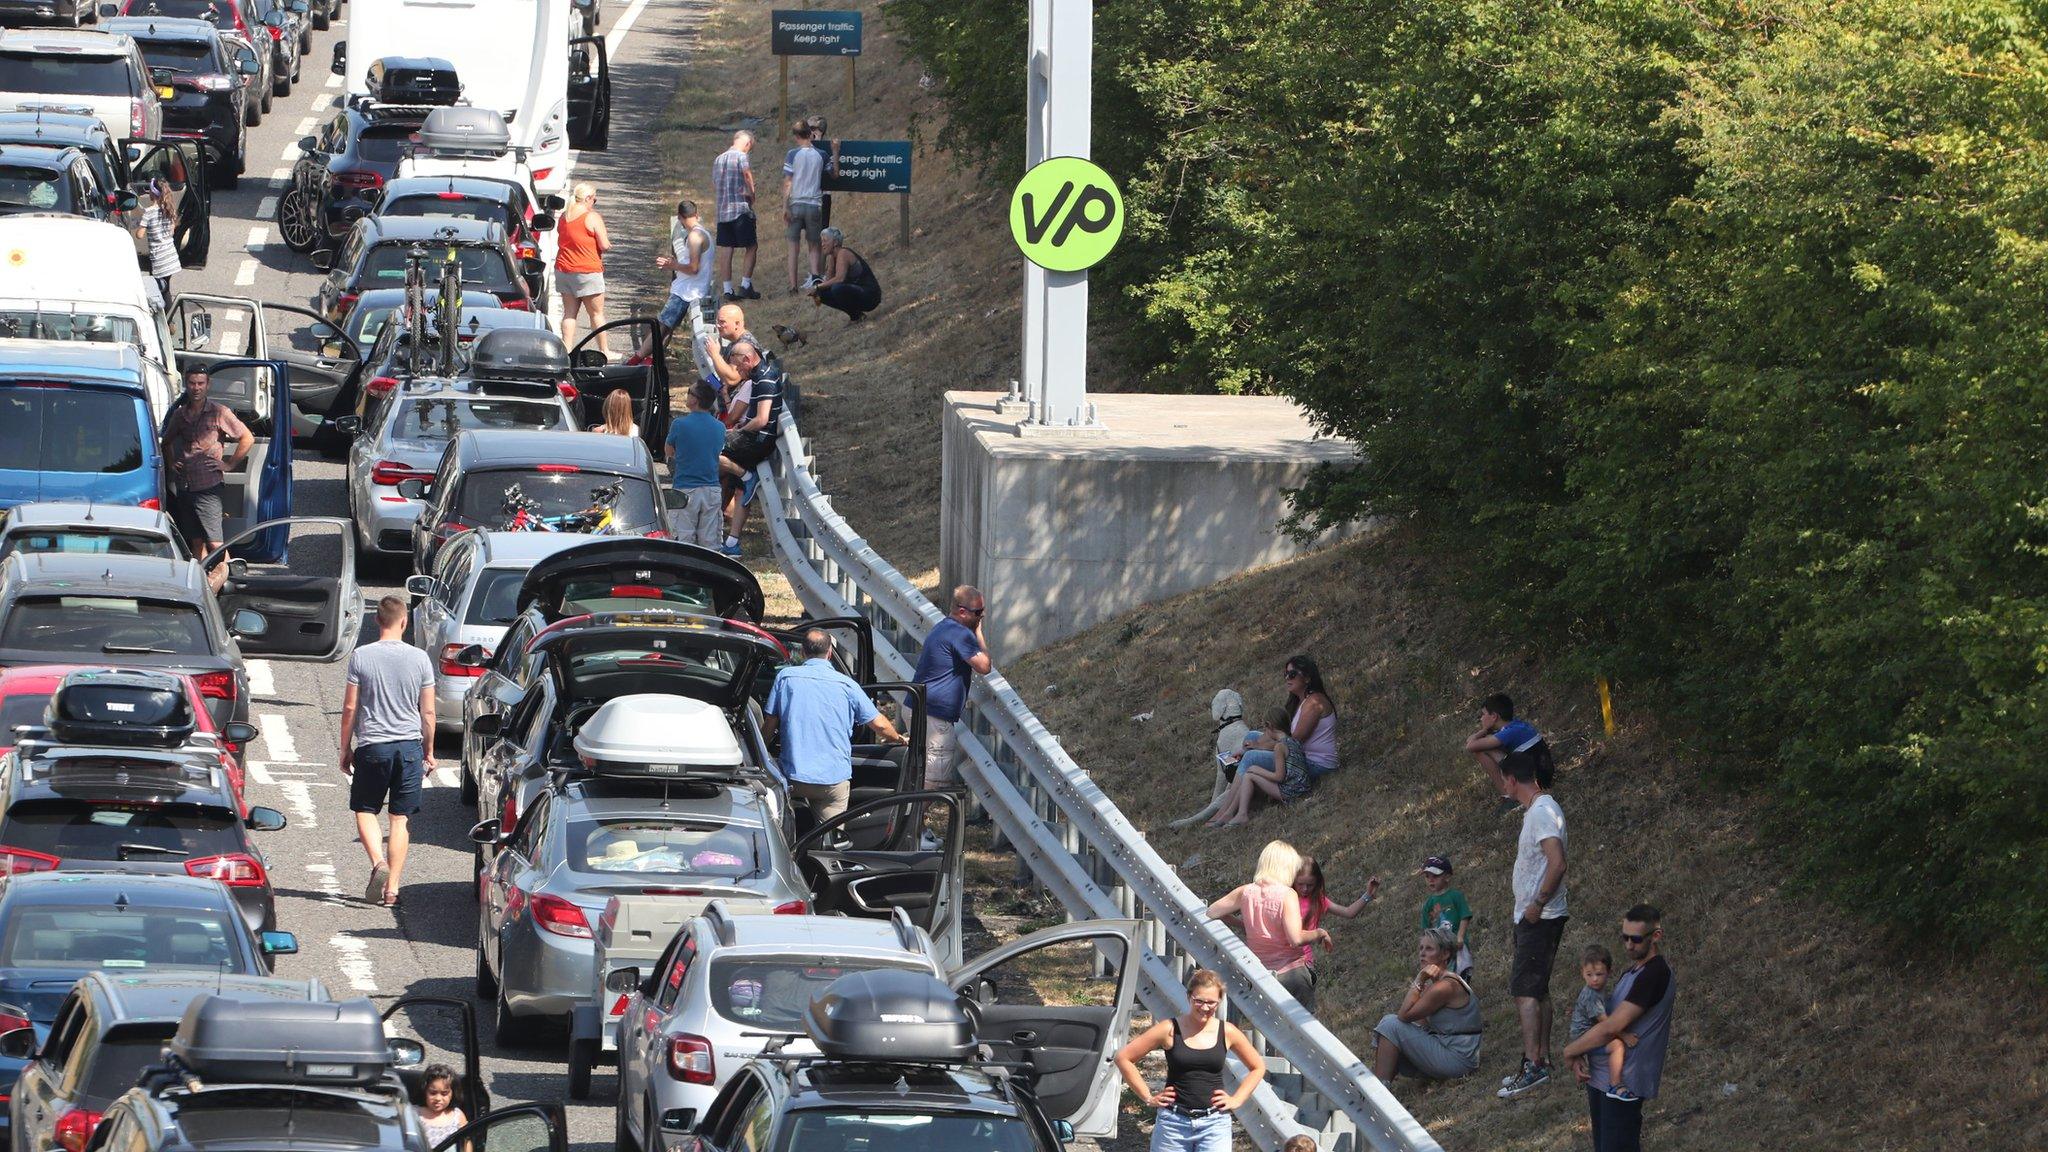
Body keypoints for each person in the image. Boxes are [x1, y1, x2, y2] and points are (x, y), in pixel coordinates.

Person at [338, 596, 435, 908]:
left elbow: (351, 706)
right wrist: (428, 751)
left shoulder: (361, 656)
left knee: (365, 809)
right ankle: (392, 888)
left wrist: (345, 748)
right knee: (399, 818)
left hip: (373, 746)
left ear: (377, 621)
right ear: (404, 622)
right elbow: (429, 713)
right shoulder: (420, 659)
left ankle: (378, 862)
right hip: (408, 748)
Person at [762, 630, 908, 826]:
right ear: (830, 652)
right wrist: (898, 739)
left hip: (793, 779)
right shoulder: (847, 685)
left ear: (803, 652)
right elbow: (880, 725)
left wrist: (759, 754)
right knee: (831, 838)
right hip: (832, 780)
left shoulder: (786, 678)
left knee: (781, 830)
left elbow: (770, 724)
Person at [1113, 970, 1266, 1152]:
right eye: (1199, 1001)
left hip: (1214, 1123)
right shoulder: (1169, 1029)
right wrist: (1147, 1097)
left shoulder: (1227, 1031)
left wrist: (1237, 1099)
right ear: (1189, 997)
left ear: (1219, 1002)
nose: (1205, 1007)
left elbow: (1257, 1067)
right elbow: (1123, 1058)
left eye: (1211, 1003)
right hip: (1173, 1123)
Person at [1563, 906, 1675, 1152]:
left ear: (1655, 936)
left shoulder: (1654, 974)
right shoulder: (1632, 972)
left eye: (1635, 939)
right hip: (1601, 1080)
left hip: (1625, 1084)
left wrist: (1570, 1051)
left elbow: (1611, 1026)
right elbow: (1599, 1019)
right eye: (1624, 937)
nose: (1628, 945)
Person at [1499, 749, 1568, 1099]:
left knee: (1525, 991)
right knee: (1537, 989)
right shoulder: (1540, 810)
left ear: (1512, 779)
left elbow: (1557, 863)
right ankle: (1541, 1059)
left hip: (1540, 917)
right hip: (1534, 916)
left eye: (1503, 779)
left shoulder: (1541, 812)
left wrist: (1538, 903)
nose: (1503, 786)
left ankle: (1534, 1065)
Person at [1205, 841, 1329, 1011]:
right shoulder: (1287, 894)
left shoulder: (1246, 891)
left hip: (1260, 974)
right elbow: (1296, 938)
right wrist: (1319, 933)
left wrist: (1245, 925)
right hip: (1291, 972)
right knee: (1301, 1031)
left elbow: (1213, 911)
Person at [159, 366, 253, 565]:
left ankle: (230, 579)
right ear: (186, 385)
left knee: (215, 543)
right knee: (196, 542)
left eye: (200, 383)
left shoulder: (219, 412)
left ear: (208, 385)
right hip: (185, 487)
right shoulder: (179, 414)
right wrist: (171, 462)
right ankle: (202, 584)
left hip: (209, 487)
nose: (196, 388)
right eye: (192, 383)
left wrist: (230, 464)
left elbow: (247, 438)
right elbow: (166, 442)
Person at [1371, 928, 1483, 1083]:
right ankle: (1379, 1085)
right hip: (1448, 1052)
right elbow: (1419, 1022)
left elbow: (1404, 1016)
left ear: (1445, 954)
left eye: (1429, 948)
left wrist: (1419, 979)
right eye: (1421, 948)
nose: (1422, 953)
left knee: (1390, 1024)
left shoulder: (1446, 986)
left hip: (1458, 1061)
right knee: (1390, 1028)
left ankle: (1378, 1092)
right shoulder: (1436, 985)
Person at [910, 586, 991, 790]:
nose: (982, 616)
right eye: (978, 613)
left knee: (920, 777)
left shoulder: (943, 627)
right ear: (962, 612)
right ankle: (905, 820)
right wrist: (979, 633)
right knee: (934, 781)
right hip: (934, 717)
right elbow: (984, 666)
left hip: (919, 708)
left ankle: (905, 820)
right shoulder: (959, 633)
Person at [713, 339, 784, 556]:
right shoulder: (760, 374)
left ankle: (745, 474)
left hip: (758, 441)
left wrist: (738, 431)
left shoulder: (763, 379)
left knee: (709, 453)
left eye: (737, 365)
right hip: (754, 436)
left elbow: (762, 419)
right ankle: (733, 542)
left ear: (748, 359)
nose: (736, 370)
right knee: (741, 491)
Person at [635, 199, 716, 375]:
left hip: (686, 292)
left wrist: (673, 265)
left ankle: (637, 359)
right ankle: (650, 360)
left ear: (680, 217)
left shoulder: (694, 237)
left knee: (660, 326)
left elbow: (693, 268)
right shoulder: (704, 232)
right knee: (667, 328)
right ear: (696, 214)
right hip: (690, 289)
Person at [1207, 703, 1314, 827]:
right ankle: (1235, 813)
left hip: (1292, 791)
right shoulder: (1292, 741)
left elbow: (1279, 777)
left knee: (1250, 773)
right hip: (1302, 786)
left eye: (1265, 728)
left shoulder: (1280, 747)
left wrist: (1256, 769)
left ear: (1269, 725)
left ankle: (1236, 813)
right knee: (1248, 775)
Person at [1236, 657, 1339, 782]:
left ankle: (1233, 795)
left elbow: (1293, 743)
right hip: (1300, 757)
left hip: (1316, 765)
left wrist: (1259, 746)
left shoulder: (1314, 702)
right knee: (1251, 736)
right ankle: (1238, 787)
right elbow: (1278, 732)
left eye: (1292, 674)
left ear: (1307, 678)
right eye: (1286, 674)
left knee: (1251, 757)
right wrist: (1246, 748)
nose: (1287, 678)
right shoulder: (1299, 701)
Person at [1294, 856, 1378, 983]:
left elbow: (1348, 912)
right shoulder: (1287, 897)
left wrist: (1368, 895)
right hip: (1283, 962)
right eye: (1300, 884)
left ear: (1317, 883)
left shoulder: (1318, 900)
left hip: (1305, 964)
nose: (1305, 889)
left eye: (1310, 885)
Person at [663, 382, 725, 547]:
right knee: (710, 542)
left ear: (695, 399)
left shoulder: (679, 424)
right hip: (711, 488)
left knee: (683, 539)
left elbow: (669, 451)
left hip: (685, 487)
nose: (687, 394)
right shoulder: (720, 427)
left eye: (689, 392)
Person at [1569, 944, 1631, 1105]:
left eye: (1599, 974)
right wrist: (1625, 1035)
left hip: (1584, 1032)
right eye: (1589, 974)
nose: (1594, 979)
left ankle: (1581, 1067)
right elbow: (1605, 1022)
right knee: (1617, 1046)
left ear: (1609, 972)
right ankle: (1615, 1084)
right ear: (1582, 973)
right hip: (1584, 1035)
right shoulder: (1591, 994)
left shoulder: (1597, 990)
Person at [554, 182, 611, 355]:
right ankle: (604, 351)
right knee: (596, 314)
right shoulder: (591, 217)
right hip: (587, 271)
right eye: (594, 199)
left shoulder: (565, 216)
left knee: (569, 313)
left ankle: (567, 350)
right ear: (587, 198)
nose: (594, 202)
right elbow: (604, 245)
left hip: (564, 269)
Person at [1466, 692, 1545, 814]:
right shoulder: (1516, 725)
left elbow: (1470, 746)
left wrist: (1484, 729)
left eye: (1483, 714)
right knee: (1489, 747)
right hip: (1540, 768)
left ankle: (1509, 797)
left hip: (1535, 776)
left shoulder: (1507, 733)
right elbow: (1470, 741)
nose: (1481, 718)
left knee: (1481, 750)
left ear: (1494, 717)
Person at [710, 130, 758, 300]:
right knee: (751, 246)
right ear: (747, 144)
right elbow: (746, 174)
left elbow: (715, 185)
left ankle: (727, 289)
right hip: (739, 209)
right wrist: (751, 193)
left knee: (727, 248)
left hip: (723, 211)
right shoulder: (741, 156)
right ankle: (745, 285)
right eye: (749, 147)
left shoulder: (718, 159)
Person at [782, 119, 826, 293]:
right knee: (814, 244)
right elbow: (834, 173)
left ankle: (793, 286)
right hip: (814, 204)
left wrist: (785, 206)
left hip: (796, 203)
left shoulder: (792, 154)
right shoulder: (821, 154)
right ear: (811, 134)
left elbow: (788, 182)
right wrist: (836, 152)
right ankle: (815, 277)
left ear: (796, 137)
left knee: (793, 246)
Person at [809, 227, 881, 322]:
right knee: (822, 292)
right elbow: (828, 283)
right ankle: (856, 316)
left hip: (870, 295)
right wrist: (817, 288)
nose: (822, 244)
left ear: (835, 242)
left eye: (825, 241)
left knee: (837, 288)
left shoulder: (843, 253)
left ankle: (856, 316)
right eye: (821, 241)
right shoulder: (833, 257)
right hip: (857, 292)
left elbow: (840, 279)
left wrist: (817, 287)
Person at [1419, 855, 1474, 978]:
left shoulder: (1456, 896)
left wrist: (1460, 937)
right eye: (1427, 877)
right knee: (1439, 975)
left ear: (1447, 877)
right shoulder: (1428, 903)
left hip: (1456, 945)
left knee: (1460, 973)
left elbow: (1465, 916)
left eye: (1435, 876)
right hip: (1438, 948)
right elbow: (1425, 929)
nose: (1431, 880)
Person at [136, 188, 180, 303]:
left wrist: (140, 226)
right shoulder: (169, 209)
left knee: (157, 289)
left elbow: (139, 235)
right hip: (170, 256)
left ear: (153, 194)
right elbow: (172, 230)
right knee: (165, 288)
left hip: (159, 258)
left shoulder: (149, 212)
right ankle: (169, 317)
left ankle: (162, 315)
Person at [419, 1064, 467, 1147]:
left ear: (453, 1093)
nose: (438, 1098)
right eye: (433, 1093)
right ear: (425, 1091)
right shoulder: (414, 1113)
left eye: (444, 1093)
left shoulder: (457, 1116)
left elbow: (466, 1141)